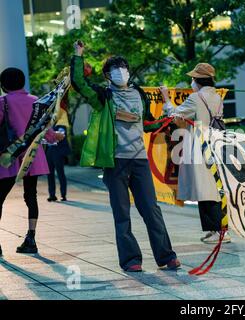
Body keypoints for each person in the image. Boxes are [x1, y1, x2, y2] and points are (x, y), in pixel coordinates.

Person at [71, 41, 179, 272]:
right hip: (115, 162)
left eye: (123, 67)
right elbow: (79, 83)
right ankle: (131, 260)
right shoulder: (103, 96)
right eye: (115, 69)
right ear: (107, 76)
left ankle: (166, 256)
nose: (121, 71)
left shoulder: (139, 93)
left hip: (139, 160)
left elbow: (148, 123)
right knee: (122, 214)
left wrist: (166, 119)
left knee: (151, 210)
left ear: (128, 70)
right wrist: (78, 55)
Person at [159, 63, 231, 245]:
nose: (191, 81)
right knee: (213, 187)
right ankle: (215, 229)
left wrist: (166, 98)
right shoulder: (217, 97)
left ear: (198, 80)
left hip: (199, 146)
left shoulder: (196, 98)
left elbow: (174, 114)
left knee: (205, 188)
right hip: (215, 144)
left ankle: (219, 231)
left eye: (192, 78)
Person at [0, 67, 64, 256]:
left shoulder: (3, 102)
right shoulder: (36, 101)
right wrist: (56, 136)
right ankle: (31, 239)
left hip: (10, 157)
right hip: (32, 156)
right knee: (31, 196)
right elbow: (47, 132)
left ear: (3, 84)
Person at [46, 123, 71, 202]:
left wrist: (50, 135)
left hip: (58, 151)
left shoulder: (61, 125)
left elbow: (60, 137)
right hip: (50, 151)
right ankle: (52, 194)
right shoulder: (49, 124)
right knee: (49, 174)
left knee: (60, 173)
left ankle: (63, 194)